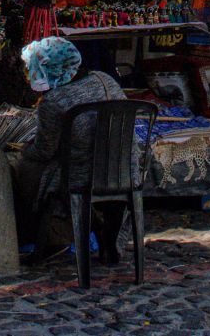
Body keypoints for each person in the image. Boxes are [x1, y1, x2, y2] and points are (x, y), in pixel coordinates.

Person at [12, 35, 127, 259]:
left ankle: (50, 234)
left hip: (81, 175)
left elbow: (44, 151)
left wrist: (24, 150)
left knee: (24, 168)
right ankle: (97, 227)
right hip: (125, 170)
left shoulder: (54, 101)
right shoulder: (104, 79)